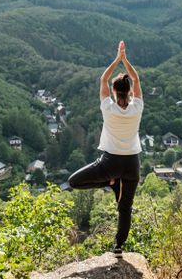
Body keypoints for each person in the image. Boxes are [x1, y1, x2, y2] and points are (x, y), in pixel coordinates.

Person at [68, 40, 143, 259]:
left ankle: (109, 182)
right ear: (130, 92)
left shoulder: (108, 107)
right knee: (125, 208)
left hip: (110, 164)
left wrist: (117, 59)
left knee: (74, 182)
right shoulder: (137, 107)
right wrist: (125, 60)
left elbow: (103, 78)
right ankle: (118, 247)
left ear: (113, 90)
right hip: (132, 164)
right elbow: (136, 78)